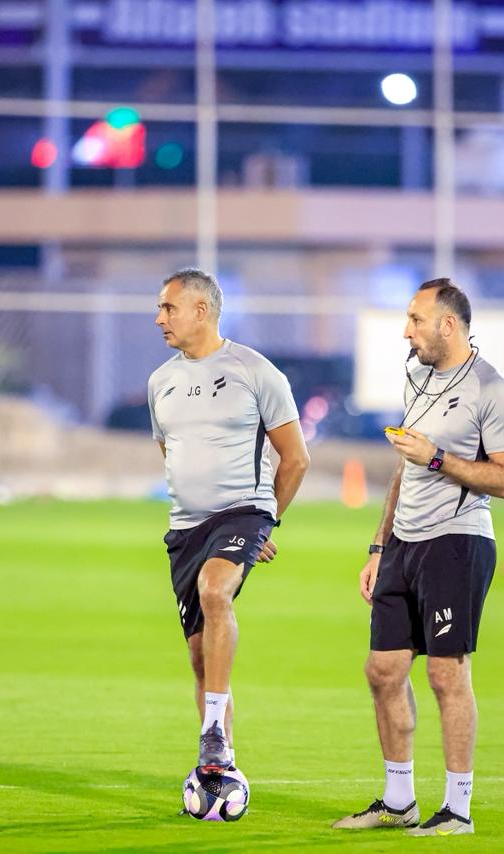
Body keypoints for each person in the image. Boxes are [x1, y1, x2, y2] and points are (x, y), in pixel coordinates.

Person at [333, 278, 504, 837]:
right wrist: (379, 545)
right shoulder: (417, 377)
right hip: (404, 542)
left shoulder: (493, 389)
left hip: (456, 541)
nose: (406, 331)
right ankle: (399, 802)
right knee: (383, 670)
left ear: (448, 324)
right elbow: (405, 469)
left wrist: (437, 457)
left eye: (416, 319)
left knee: (446, 674)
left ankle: (458, 810)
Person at [148, 268, 309, 773]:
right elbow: (171, 451)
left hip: (242, 511)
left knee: (215, 590)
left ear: (201, 310)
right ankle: (219, 766)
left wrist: (266, 522)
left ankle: (213, 730)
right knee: (200, 657)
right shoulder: (160, 382)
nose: (159, 319)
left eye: (168, 308)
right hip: (185, 529)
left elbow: (296, 459)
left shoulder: (256, 372)